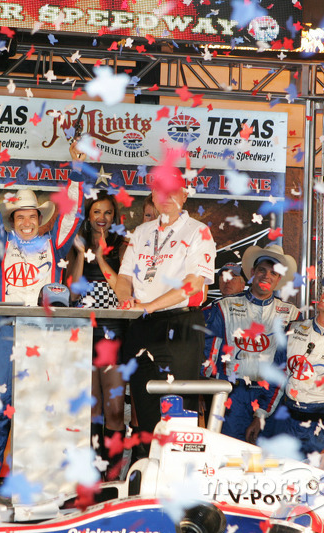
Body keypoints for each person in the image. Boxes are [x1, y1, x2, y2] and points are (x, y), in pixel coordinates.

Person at [0, 137, 84, 504]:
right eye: (19, 217)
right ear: (13, 221)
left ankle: (45, 482)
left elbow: (73, 214)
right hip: (10, 331)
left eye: (31, 216)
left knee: (46, 406)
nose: (26, 222)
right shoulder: (2, 245)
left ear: (40, 219)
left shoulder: (54, 244)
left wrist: (77, 170)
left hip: (46, 333)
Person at [115, 180, 216, 463]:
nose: (167, 196)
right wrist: (127, 299)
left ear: (185, 194)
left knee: (177, 413)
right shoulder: (141, 231)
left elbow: (193, 284)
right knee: (144, 412)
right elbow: (124, 278)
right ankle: (151, 481)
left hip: (179, 325)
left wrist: (148, 305)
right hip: (140, 324)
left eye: (175, 189)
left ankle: (180, 486)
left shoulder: (199, 231)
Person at [204, 244, 300, 443]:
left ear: (279, 279)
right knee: (228, 455)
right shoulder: (224, 306)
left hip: (271, 394)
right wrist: (209, 393)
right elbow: (209, 358)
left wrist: (264, 410)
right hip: (232, 392)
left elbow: (285, 366)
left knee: (264, 463)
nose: (267, 276)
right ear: (251, 273)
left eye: (273, 273)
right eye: (262, 270)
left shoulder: (291, 313)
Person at [65, 193, 127, 479]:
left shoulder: (123, 246)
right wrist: (80, 254)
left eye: (107, 213)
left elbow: (125, 293)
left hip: (113, 334)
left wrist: (101, 258)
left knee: (115, 410)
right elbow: (74, 293)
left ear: (114, 217)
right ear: (87, 216)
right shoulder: (76, 244)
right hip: (84, 334)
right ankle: (92, 475)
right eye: (96, 212)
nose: (101, 218)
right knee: (93, 410)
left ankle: (113, 475)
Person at [265, 278, 324, 456]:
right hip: (286, 419)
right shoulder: (294, 328)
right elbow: (277, 375)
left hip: (321, 426)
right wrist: (261, 414)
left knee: (315, 480)